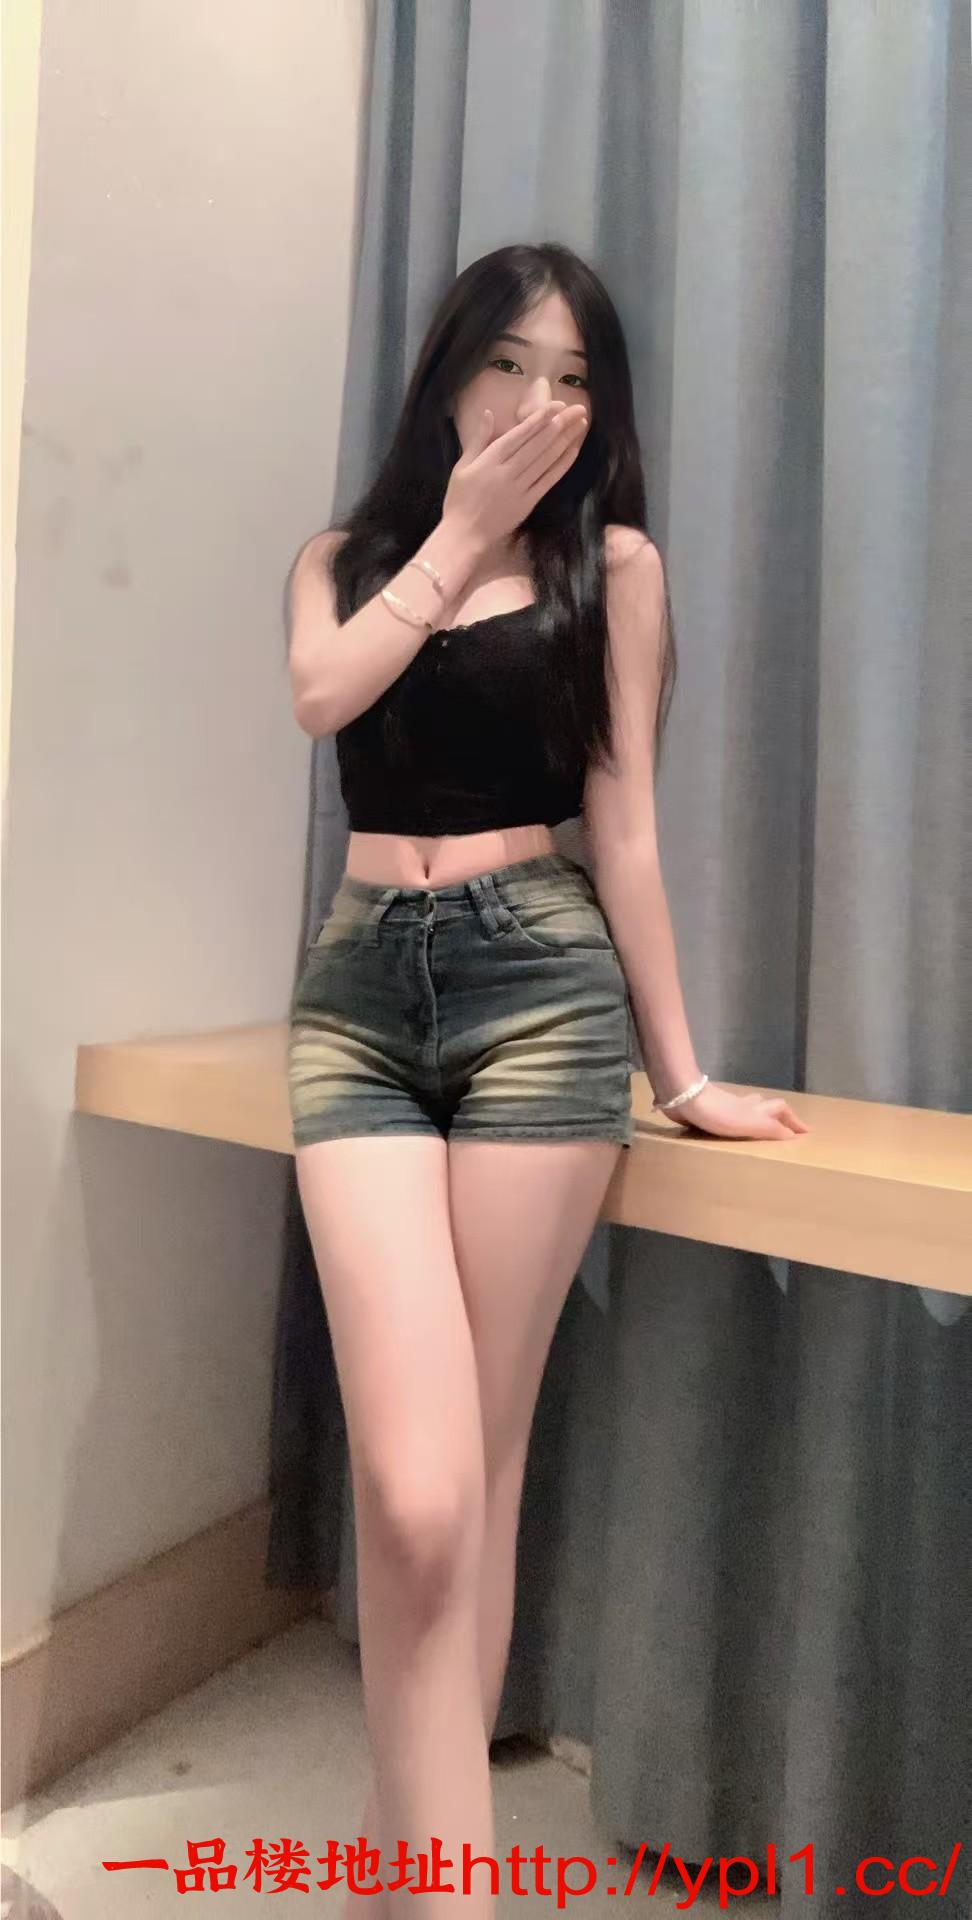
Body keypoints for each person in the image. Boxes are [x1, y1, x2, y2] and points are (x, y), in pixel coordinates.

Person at [284, 242, 808, 1919]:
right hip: (359, 1000)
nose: (539, 401)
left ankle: (421, 1889)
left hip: (543, 997)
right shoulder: (343, 561)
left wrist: (685, 1070)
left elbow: (626, 832)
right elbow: (321, 695)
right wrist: (457, 536)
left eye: (575, 378)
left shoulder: (617, 568)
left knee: (481, 1472)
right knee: (416, 1489)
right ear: (450, 374)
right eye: (510, 363)